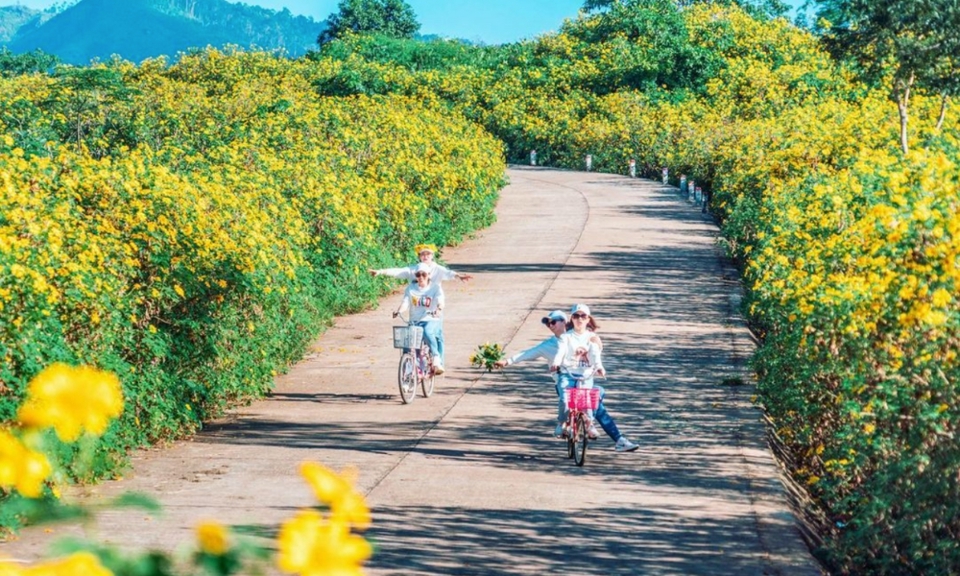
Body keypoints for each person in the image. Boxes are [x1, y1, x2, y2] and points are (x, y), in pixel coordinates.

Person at [494, 308, 639, 452]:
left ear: (565, 322)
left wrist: (598, 345)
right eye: (548, 323)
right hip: (563, 382)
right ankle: (567, 424)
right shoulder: (549, 344)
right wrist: (507, 361)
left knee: (596, 399)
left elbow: (595, 352)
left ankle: (609, 435)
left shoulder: (583, 336)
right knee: (585, 403)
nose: (550, 325)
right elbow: (528, 353)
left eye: (554, 322)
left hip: (583, 378)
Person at [372, 243, 470, 365]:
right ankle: (408, 366)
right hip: (417, 308)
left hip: (433, 307)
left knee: (435, 334)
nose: (425, 256)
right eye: (422, 254)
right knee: (409, 339)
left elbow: (448, 273)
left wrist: (458, 276)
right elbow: (398, 272)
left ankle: (438, 361)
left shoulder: (437, 269)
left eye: (428, 254)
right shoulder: (414, 271)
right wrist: (380, 272)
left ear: (432, 256)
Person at [392, 263, 445, 374]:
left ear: (429, 275)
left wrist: (438, 309)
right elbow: (405, 302)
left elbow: (440, 301)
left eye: (423, 274)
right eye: (418, 275)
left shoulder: (435, 288)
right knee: (407, 344)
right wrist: (399, 311)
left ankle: (436, 358)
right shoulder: (411, 288)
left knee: (427, 331)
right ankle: (407, 373)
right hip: (414, 320)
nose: (421, 277)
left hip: (430, 318)